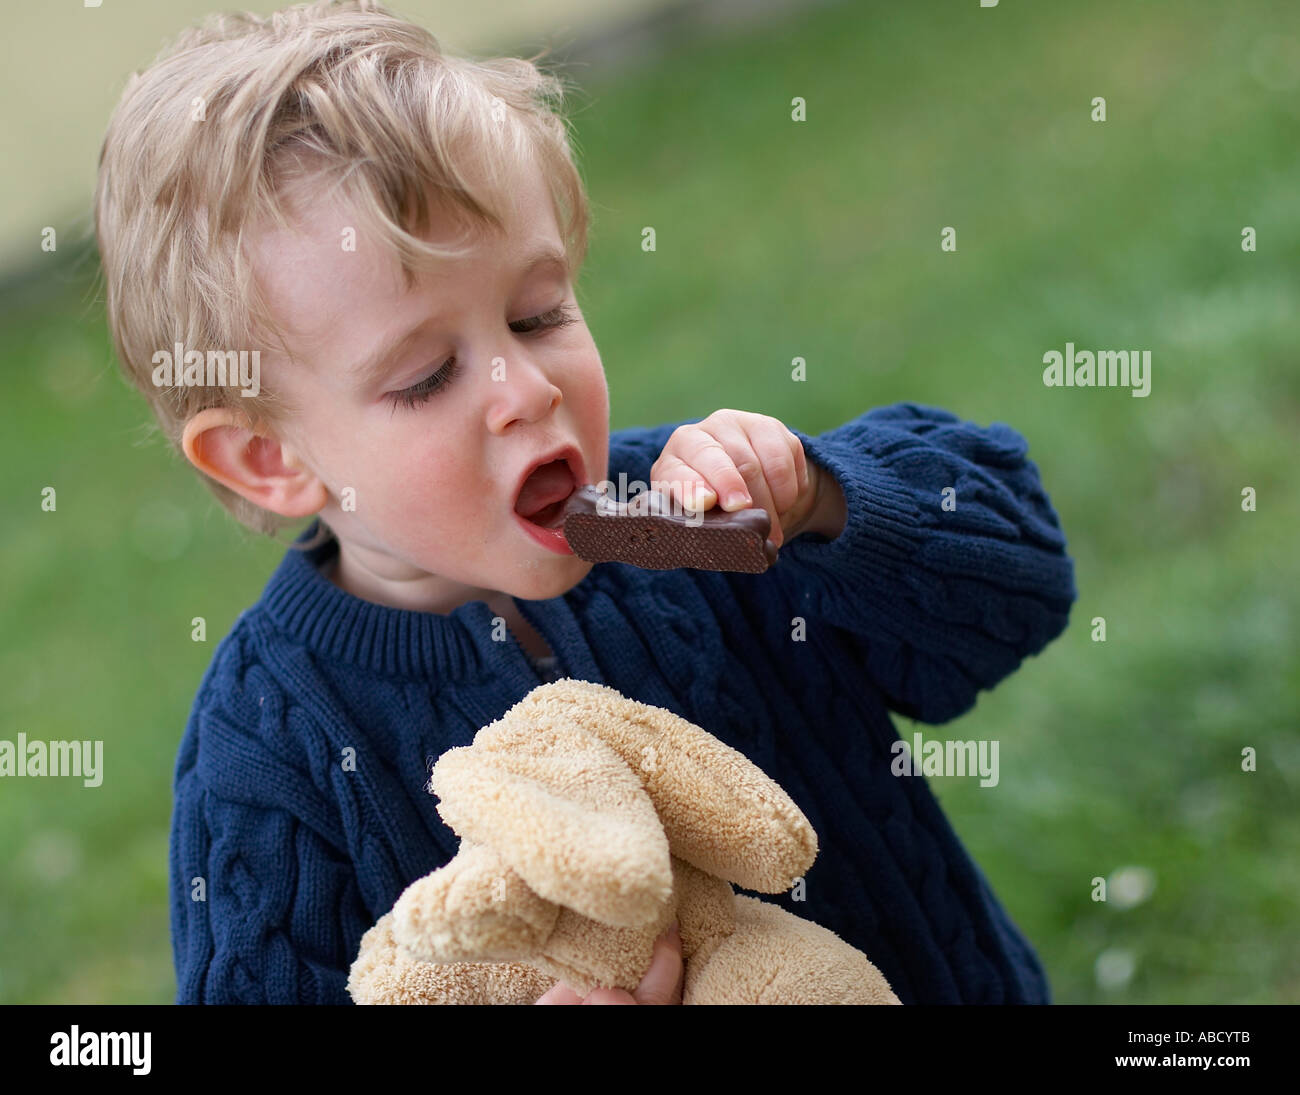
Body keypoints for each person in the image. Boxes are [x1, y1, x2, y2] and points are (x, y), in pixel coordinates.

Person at [93, 0, 1076, 1005]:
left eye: (537, 313)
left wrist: (825, 499)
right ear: (268, 457)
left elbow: (1021, 587)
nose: (525, 389)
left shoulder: (697, 517)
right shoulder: (268, 754)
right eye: (428, 375)